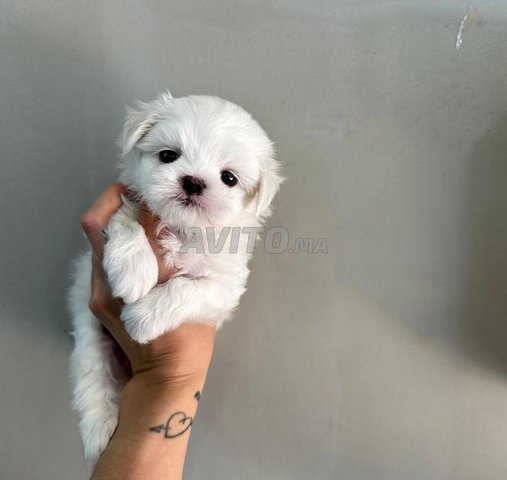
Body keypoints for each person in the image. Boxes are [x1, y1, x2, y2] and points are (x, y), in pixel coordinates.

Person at [79, 183, 216, 480]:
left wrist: (167, 374)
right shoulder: (134, 205)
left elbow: (223, 287)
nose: (194, 182)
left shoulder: (229, 240)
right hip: (109, 343)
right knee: (98, 410)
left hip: (146, 358)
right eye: (168, 159)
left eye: (228, 178)